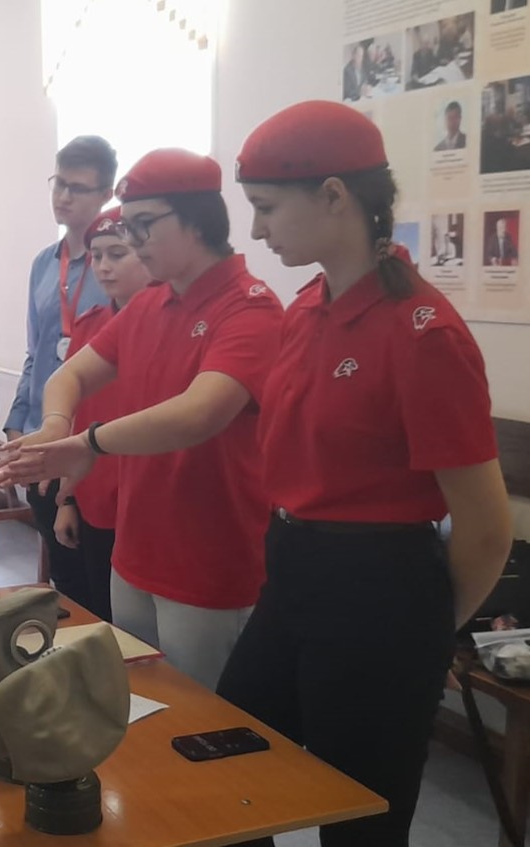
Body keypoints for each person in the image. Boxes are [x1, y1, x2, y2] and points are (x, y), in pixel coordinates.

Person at [219, 100, 512, 847]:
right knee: (226, 765)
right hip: (293, 572)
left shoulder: (422, 335)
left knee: (359, 818)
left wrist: (419, 636)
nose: (256, 231)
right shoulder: (306, 308)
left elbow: (485, 528)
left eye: (265, 208)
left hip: (379, 589)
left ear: (333, 196)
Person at [0, 149, 283, 690]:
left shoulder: (250, 307)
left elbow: (199, 413)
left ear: (197, 220)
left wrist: (87, 443)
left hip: (206, 559)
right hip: (135, 550)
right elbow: (69, 376)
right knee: (136, 701)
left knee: (202, 718)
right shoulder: (151, 304)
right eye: (129, 226)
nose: (135, 240)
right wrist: (56, 425)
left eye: (144, 224)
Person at [3, 135, 115, 615]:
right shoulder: (44, 265)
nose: (64, 196)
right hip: (43, 433)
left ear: (106, 195)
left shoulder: (120, 265)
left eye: (78, 188)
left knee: (101, 576)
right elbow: (37, 352)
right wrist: (18, 421)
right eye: (59, 184)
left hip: (97, 438)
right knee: (65, 578)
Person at [51, 207, 151, 623]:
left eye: (117, 254)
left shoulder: (170, 324)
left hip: (146, 497)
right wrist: (68, 499)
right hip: (96, 495)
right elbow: (78, 413)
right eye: (97, 256)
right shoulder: (90, 326)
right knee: (93, 613)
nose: (104, 267)